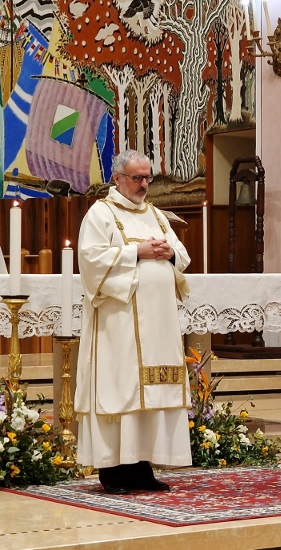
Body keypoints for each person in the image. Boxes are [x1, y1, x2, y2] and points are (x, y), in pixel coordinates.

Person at [75, 149, 191, 495]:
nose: (144, 184)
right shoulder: (101, 213)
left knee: (150, 395)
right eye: (137, 178)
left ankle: (142, 467)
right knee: (122, 393)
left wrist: (170, 253)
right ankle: (113, 471)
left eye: (147, 178)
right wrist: (136, 252)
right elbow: (91, 261)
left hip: (158, 325)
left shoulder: (155, 214)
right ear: (117, 178)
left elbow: (182, 255)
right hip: (120, 323)